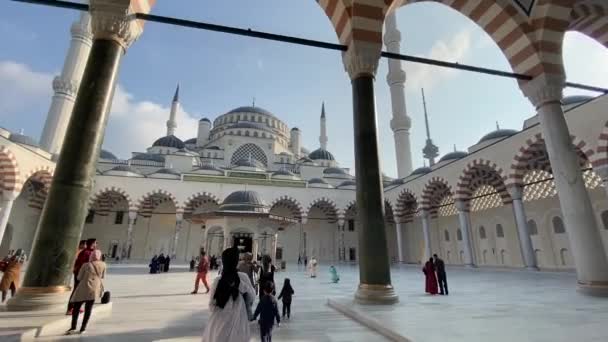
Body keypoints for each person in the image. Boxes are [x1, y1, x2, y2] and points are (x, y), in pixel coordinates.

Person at [201, 247, 255, 342]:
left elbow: (212, 305)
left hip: (218, 322)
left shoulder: (218, 280)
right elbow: (252, 297)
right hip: (239, 320)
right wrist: (239, 286)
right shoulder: (243, 277)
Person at [66, 249, 106, 335]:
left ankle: (73, 327)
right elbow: (102, 276)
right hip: (94, 289)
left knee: (76, 308)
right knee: (88, 309)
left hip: (83, 288)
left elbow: (79, 277)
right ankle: (83, 329)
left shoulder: (86, 265)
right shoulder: (103, 265)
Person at [68, 239, 96, 314]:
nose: (96, 245)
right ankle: (70, 308)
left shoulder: (89, 252)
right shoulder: (85, 252)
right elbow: (82, 264)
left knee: (80, 291)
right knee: (76, 290)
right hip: (80, 274)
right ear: (92, 243)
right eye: (95, 243)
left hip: (83, 274)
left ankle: (75, 307)